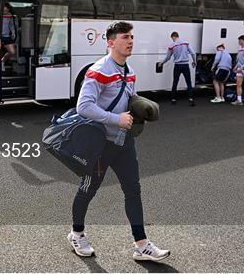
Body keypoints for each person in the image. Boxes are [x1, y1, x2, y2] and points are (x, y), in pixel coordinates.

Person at [70, 21, 170, 262]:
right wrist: (116, 118)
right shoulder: (98, 70)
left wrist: (139, 105)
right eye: (125, 37)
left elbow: (125, 97)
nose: (131, 41)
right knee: (88, 190)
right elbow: (83, 106)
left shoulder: (129, 70)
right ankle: (76, 233)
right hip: (100, 145)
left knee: (133, 192)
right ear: (111, 42)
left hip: (124, 143)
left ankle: (141, 244)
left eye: (132, 37)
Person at [157, 31, 197, 106]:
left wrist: (162, 63)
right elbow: (193, 53)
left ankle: (173, 99)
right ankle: (191, 99)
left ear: (173, 37)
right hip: (185, 65)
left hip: (177, 66)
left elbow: (168, 57)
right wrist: (195, 62)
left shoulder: (172, 45)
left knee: (175, 82)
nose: (172, 40)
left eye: (172, 38)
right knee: (188, 82)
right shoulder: (186, 43)